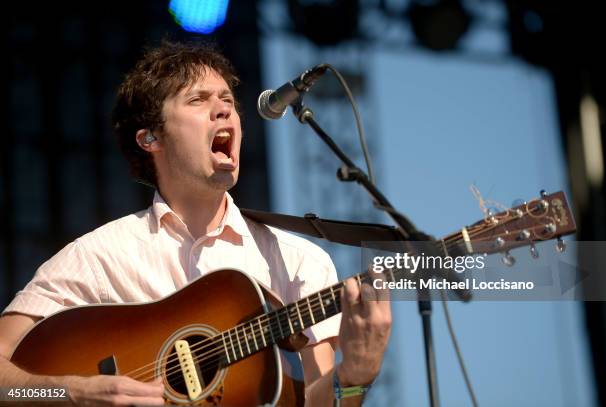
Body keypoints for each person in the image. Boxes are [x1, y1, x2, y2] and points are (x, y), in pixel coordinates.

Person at [0, 41, 391, 406]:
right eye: (198, 100)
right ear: (151, 138)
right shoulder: (97, 256)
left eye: (227, 100)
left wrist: (356, 373)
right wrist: (72, 392)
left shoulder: (298, 262)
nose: (223, 110)